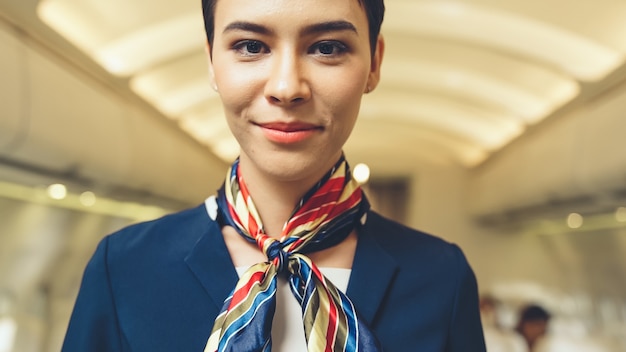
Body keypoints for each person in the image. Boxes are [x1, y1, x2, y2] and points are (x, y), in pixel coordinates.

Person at [61, 0, 486, 350]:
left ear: (374, 63)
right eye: (250, 45)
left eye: (327, 48)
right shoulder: (125, 268)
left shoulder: (440, 277)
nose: (286, 87)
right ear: (211, 61)